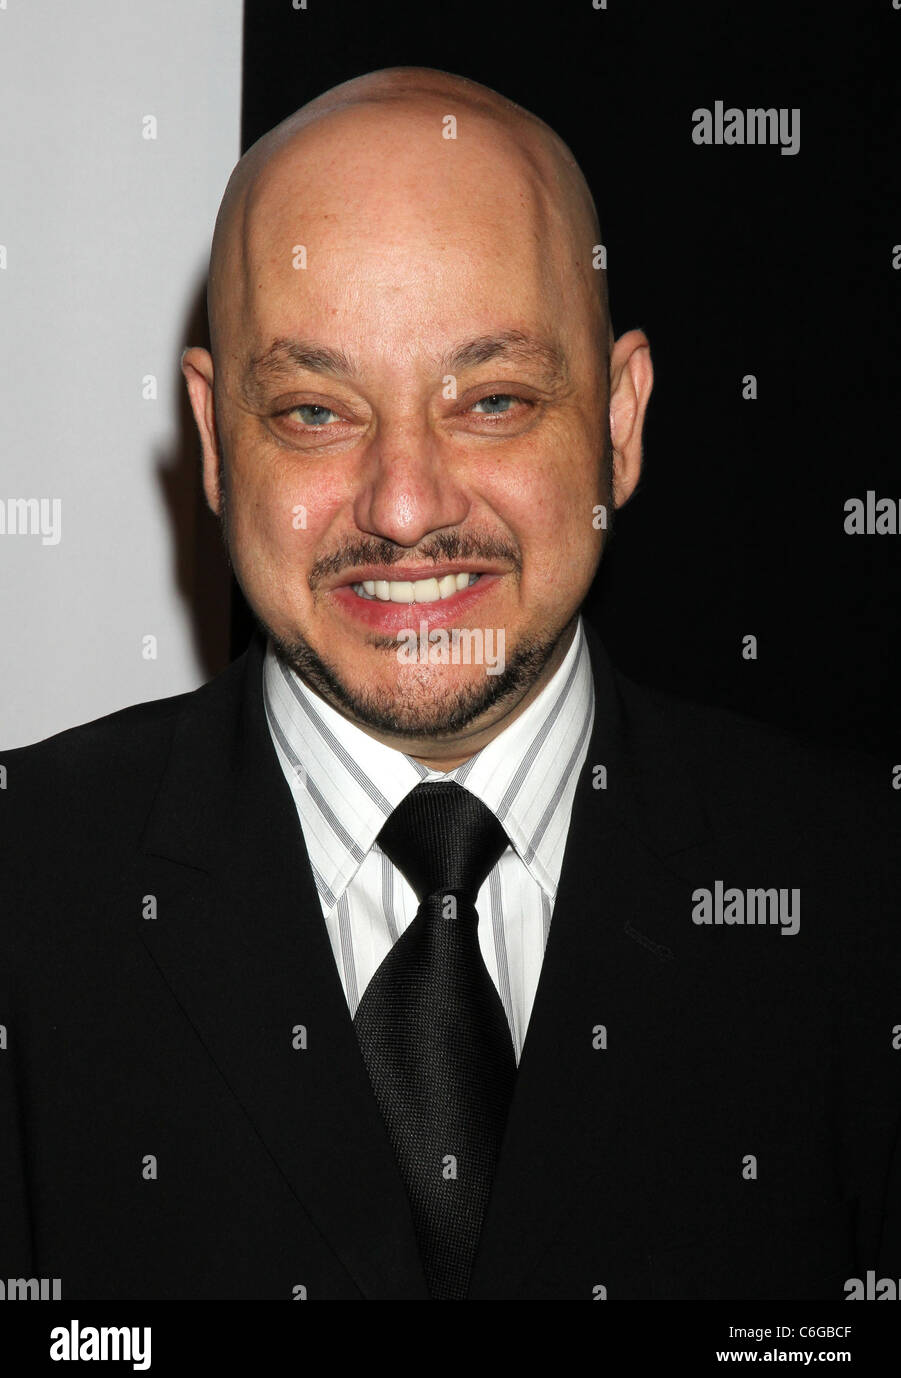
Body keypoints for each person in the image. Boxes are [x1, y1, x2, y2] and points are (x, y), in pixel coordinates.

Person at [2, 66, 899, 1301]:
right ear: (215, 441)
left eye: (491, 401)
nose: (406, 504)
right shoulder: (22, 889)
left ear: (619, 423)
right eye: (316, 410)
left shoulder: (860, 893)